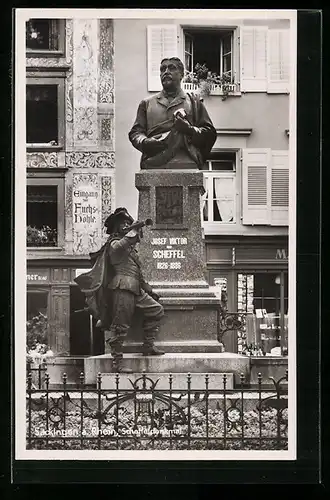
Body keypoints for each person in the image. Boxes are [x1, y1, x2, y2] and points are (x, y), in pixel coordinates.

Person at [74, 207, 165, 373]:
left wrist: (149, 290)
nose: (126, 225)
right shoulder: (114, 243)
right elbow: (118, 247)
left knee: (157, 310)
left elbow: (138, 273)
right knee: (120, 327)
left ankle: (148, 345)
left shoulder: (131, 249)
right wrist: (132, 232)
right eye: (123, 223)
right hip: (121, 288)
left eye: (128, 223)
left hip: (136, 289)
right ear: (117, 227)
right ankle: (117, 362)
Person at [128, 57, 217, 169]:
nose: (166, 72)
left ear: (181, 74)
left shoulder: (194, 101)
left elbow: (209, 133)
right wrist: (145, 142)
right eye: (162, 69)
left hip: (186, 161)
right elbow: (136, 133)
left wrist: (189, 130)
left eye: (172, 68)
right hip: (153, 161)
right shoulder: (146, 103)